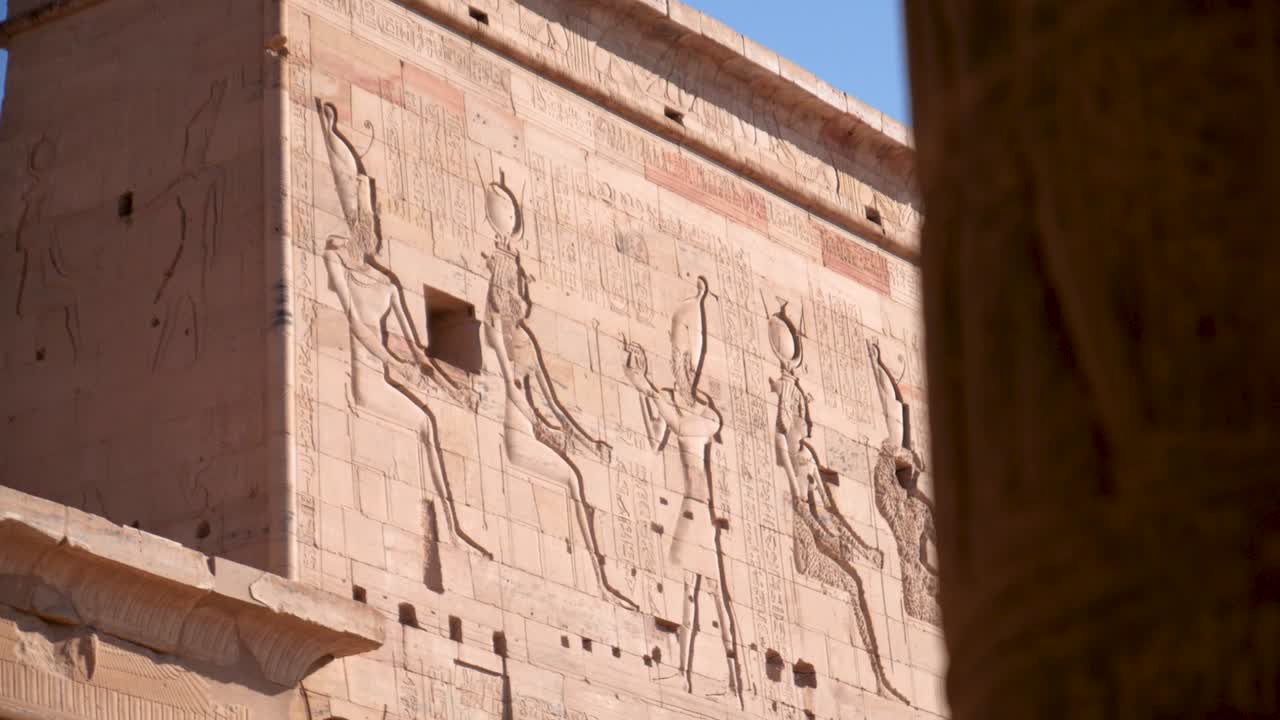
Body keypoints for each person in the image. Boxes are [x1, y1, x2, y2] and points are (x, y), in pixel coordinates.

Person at [317, 100, 491, 583]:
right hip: (366, 381)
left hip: (387, 372)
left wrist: (448, 383)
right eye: (362, 229)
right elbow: (356, 327)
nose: (367, 237)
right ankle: (447, 533)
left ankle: (448, 531)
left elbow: (415, 346)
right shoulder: (343, 270)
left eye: (371, 230)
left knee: (429, 423)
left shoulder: (387, 284)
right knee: (423, 426)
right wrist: (331, 135)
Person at [766, 302, 908, 703]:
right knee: (852, 584)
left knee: (859, 576)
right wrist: (834, 540)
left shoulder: (807, 455)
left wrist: (861, 547)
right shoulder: (785, 448)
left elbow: (826, 509)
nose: (807, 423)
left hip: (821, 534)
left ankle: (879, 677)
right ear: (789, 413)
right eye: (802, 415)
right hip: (805, 545)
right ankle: (876, 679)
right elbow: (802, 511)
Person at [624, 277, 743, 706]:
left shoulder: (704, 415)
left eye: (683, 360)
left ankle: (728, 677)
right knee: (696, 591)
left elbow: (678, 422)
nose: (679, 367)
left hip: (701, 509)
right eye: (676, 360)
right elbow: (657, 434)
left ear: (690, 363)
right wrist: (645, 391)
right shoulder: (675, 403)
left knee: (712, 593)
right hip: (691, 509)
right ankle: (688, 674)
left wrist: (646, 387)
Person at [868, 339, 940, 625]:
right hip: (915, 588)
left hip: (931, 579)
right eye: (904, 469)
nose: (909, 474)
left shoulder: (920, 510)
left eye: (910, 469)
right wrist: (875, 367)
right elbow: (883, 478)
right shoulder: (895, 508)